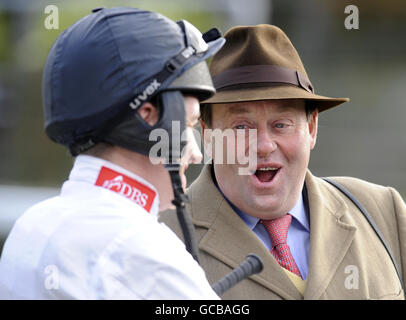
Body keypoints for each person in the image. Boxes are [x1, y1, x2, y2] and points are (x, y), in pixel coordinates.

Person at [160, 24, 406, 299]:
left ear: (312, 129)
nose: (264, 146)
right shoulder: (160, 239)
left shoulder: (382, 212)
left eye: (281, 124)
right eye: (241, 127)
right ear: (209, 136)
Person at [0, 7, 225, 299]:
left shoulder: (29, 228)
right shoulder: (147, 254)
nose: (196, 154)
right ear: (148, 116)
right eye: (189, 124)